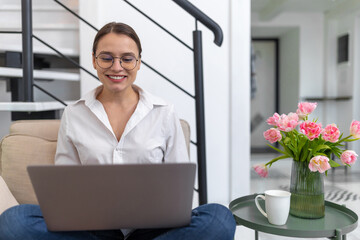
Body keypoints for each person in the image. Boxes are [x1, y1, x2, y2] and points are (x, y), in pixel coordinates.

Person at [0, 22, 236, 240]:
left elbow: (181, 194)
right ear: (94, 60)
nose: (116, 67)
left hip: (152, 228)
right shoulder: (74, 114)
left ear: (139, 62)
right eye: (106, 58)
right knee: (14, 221)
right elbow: (65, 188)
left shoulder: (164, 113)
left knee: (220, 218)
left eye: (127, 59)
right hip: (92, 227)